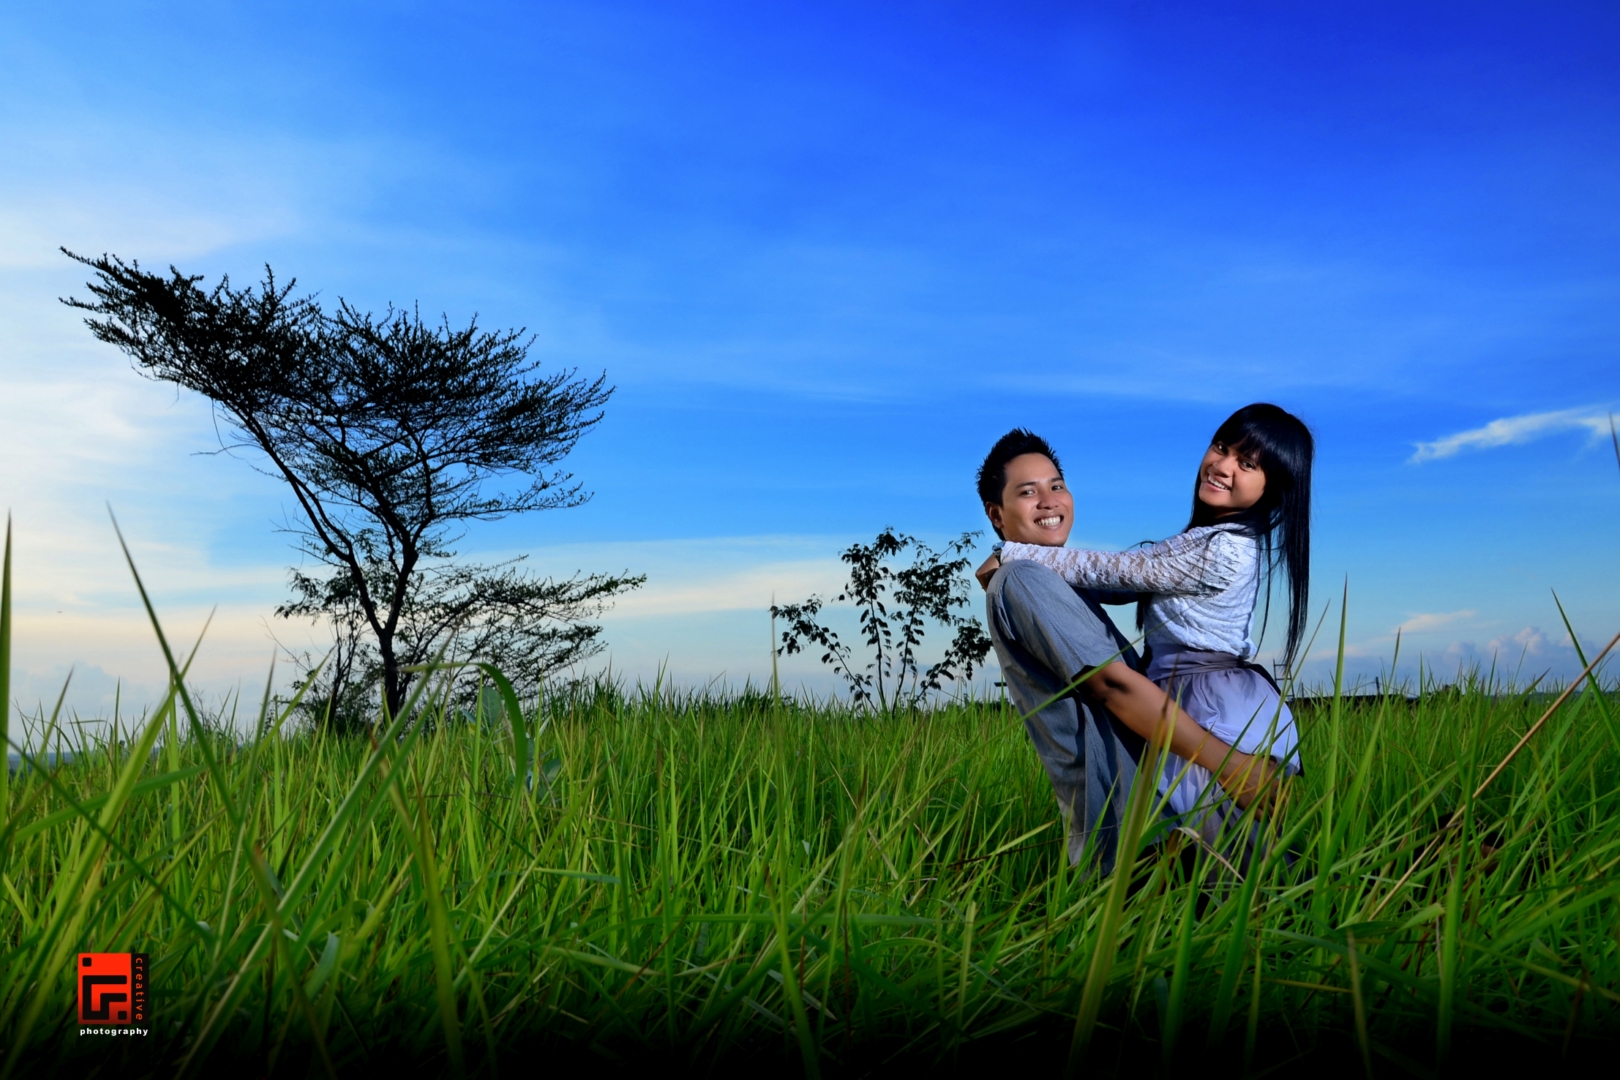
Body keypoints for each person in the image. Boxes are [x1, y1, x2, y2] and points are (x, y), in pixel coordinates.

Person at [981, 404, 1310, 852]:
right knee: (1222, 851)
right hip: (1188, 699)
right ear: (995, 512)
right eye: (1221, 447)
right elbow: (1117, 580)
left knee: (1223, 848)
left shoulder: (1223, 549)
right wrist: (1016, 560)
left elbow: (1116, 572)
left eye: (1247, 463)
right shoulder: (1202, 540)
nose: (1222, 465)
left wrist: (1012, 553)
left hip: (1207, 697)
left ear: (1275, 487)